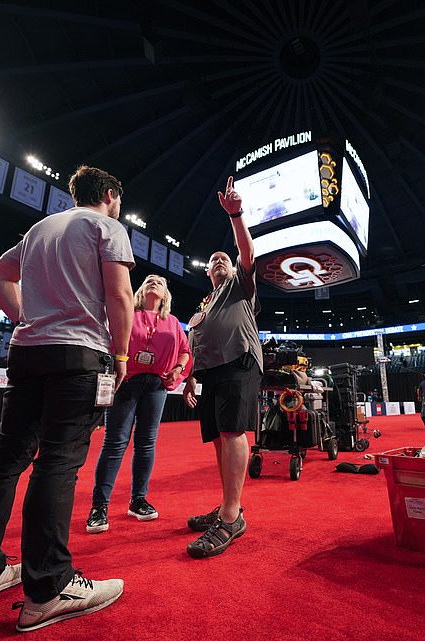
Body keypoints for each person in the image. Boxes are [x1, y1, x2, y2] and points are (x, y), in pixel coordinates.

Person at [0, 165, 135, 632]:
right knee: (57, 463)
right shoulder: (106, 226)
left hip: (28, 354)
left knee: (4, 459)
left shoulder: (39, 229)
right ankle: (49, 587)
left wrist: (25, 318)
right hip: (78, 355)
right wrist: (121, 354)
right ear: (111, 194)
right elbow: (119, 296)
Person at [182, 176, 262, 559]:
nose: (218, 262)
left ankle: (231, 517)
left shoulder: (238, 284)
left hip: (239, 360)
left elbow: (247, 253)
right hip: (211, 372)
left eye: (223, 260)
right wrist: (190, 380)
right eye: (213, 261)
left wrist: (237, 215)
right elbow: (197, 342)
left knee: (231, 433)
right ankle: (229, 503)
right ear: (207, 272)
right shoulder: (205, 302)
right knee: (217, 437)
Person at [87, 274, 191, 533]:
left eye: (159, 281)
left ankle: (138, 500)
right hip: (125, 381)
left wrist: (178, 368)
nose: (153, 282)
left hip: (157, 386)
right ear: (141, 290)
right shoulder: (127, 313)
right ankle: (99, 507)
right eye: (149, 280)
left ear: (165, 295)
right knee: (115, 442)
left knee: (146, 443)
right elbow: (108, 342)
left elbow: (185, 351)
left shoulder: (174, 322)